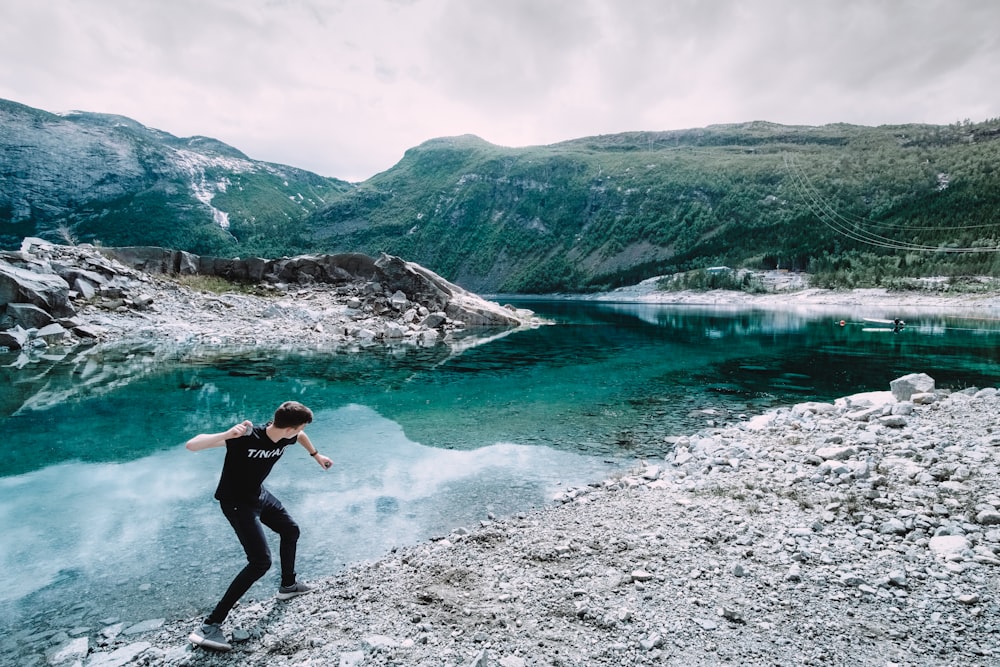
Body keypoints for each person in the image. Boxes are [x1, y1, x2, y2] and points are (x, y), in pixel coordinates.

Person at [185, 400, 333, 652]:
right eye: (298, 428)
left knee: (290, 530)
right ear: (288, 428)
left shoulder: (287, 436)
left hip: (258, 496)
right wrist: (227, 434)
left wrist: (316, 455)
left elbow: (301, 436)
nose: (299, 433)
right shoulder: (245, 437)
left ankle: (288, 586)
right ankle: (209, 626)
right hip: (235, 503)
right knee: (260, 562)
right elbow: (192, 445)